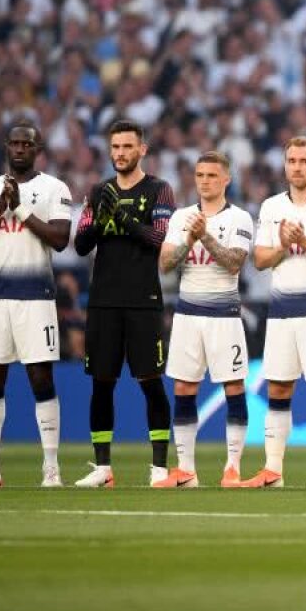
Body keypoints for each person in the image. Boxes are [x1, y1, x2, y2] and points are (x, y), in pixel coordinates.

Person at [0, 123, 72, 488]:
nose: (20, 149)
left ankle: (51, 467)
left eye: (27, 144)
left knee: (41, 378)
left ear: (37, 149)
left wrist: (19, 211)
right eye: (15, 143)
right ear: (6, 147)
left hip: (36, 298)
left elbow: (61, 239)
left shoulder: (54, 188)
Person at [237, 137, 306, 489]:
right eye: (292, 161)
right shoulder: (271, 208)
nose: (297, 167)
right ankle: (273, 470)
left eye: (304, 160)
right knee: (279, 388)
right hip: (282, 310)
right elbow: (259, 261)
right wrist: (284, 245)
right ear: (285, 166)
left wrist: (305, 241)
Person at [73, 119, 176, 488]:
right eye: (115, 147)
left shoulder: (160, 190)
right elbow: (81, 244)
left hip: (144, 300)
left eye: (127, 147)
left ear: (142, 150)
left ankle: (160, 468)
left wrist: (121, 216)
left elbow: (159, 237)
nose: (120, 154)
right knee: (102, 384)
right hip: (103, 301)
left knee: (151, 383)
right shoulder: (98, 190)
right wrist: (99, 218)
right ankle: (103, 468)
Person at [155, 151, 254, 488]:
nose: (205, 181)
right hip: (187, 315)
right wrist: (189, 238)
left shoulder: (239, 218)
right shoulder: (181, 217)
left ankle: (232, 468)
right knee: (184, 387)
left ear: (226, 179)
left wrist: (206, 237)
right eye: (200, 175)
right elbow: (166, 265)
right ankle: (186, 471)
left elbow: (233, 264)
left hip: (225, 317)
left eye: (212, 175)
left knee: (233, 387)